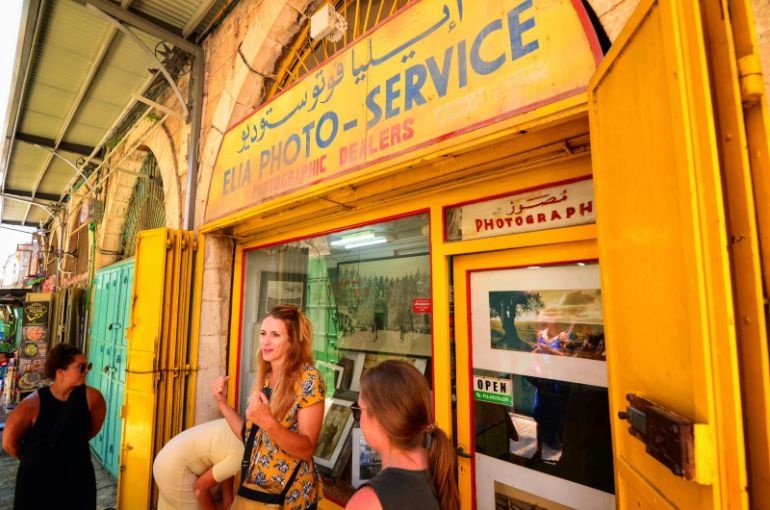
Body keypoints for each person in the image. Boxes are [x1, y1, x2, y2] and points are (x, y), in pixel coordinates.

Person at [212, 304, 326, 510]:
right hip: (258, 495)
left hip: (291, 498)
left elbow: (307, 449)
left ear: (292, 342)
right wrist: (222, 403)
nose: (266, 341)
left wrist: (269, 423)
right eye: (263, 333)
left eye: (275, 335)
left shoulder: (309, 380)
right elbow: (251, 437)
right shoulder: (266, 378)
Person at [2, 343, 106, 510]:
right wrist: (37, 461)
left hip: (77, 477)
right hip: (37, 482)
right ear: (60, 373)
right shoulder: (32, 405)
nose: (86, 371)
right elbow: (8, 443)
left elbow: (90, 430)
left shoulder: (93, 399)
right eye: (80, 367)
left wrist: (69, 450)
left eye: (87, 366)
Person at [345, 360, 459, 510]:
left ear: (380, 420)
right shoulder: (438, 468)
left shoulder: (368, 502)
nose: (359, 419)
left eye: (359, 410)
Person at [153, 418, 245, 510]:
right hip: (173, 471)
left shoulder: (241, 427)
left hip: (166, 458)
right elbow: (200, 488)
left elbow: (225, 467)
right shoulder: (241, 456)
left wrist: (227, 502)